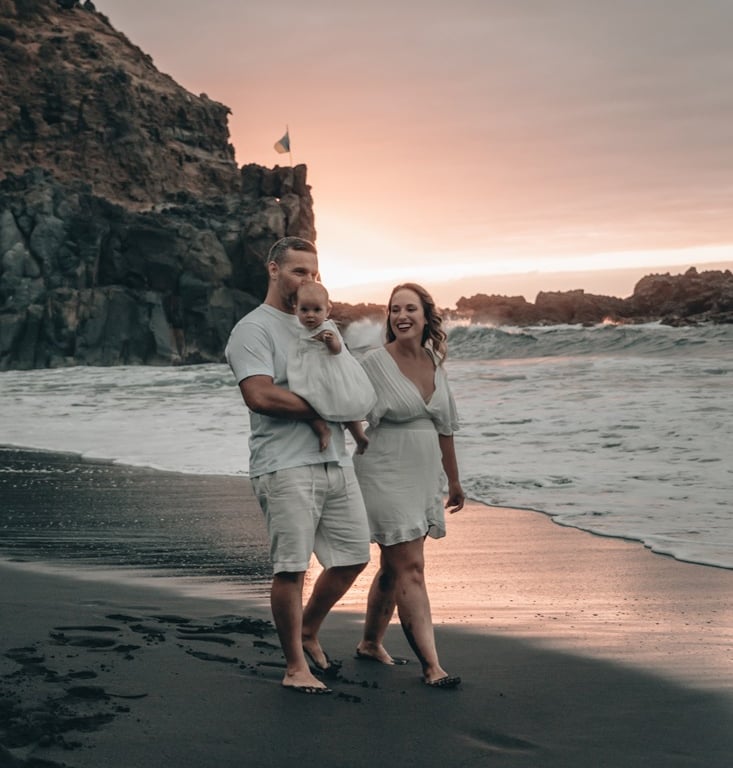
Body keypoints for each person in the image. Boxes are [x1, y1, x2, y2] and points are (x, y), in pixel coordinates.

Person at [224, 236, 371, 695]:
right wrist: (319, 411)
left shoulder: (321, 325)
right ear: (273, 270)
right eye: (297, 271)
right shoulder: (253, 330)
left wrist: (351, 421)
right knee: (290, 568)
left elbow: (346, 384)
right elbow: (260, 395)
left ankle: (308, 630)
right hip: (284, 465)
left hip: (334, 460)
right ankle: (293, 666)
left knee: (352, 557)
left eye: (313, 273)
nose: (307, 281)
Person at [352, 282, 465, 688]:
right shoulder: (372, 363)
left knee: (392, 565)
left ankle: (369, 643)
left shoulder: (436, 362)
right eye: (395, 309)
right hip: (383, 470)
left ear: (425, 315)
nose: (402, 316)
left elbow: (446, 427)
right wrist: (354, 438)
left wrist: (453, 480)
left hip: (422, 475)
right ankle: (433, 667)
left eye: (410, 309)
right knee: (411, 567)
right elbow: (342, 405)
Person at [287, 281, 376, 453]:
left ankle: (359, 436)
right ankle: (322, 429)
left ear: (327, 311)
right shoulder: (301, 330)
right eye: (304, 310)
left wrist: (331, 342)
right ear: (295, 309)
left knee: (345, 404)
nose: (310, 315)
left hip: (330, 373)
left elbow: (337, 350)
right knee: (306, 402)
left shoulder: (328, 328)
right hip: (310, 374)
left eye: (317, 310)